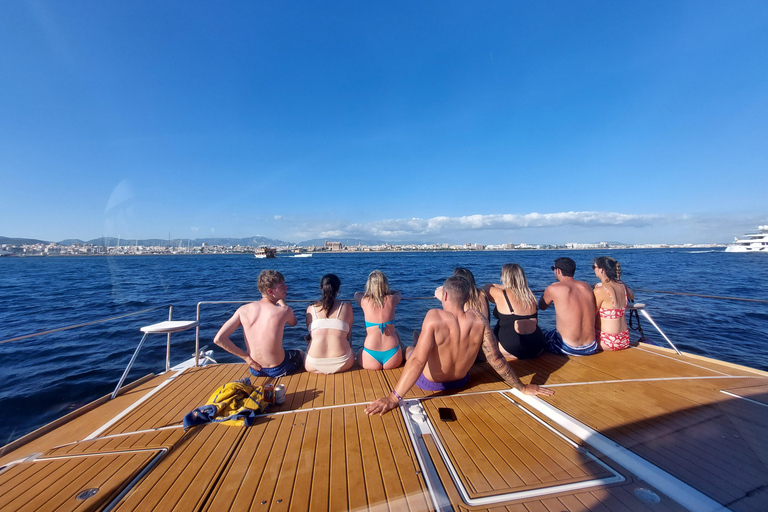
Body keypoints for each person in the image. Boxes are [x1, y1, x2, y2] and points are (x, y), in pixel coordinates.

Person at [365, 276, 553, 416]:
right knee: (422, 347)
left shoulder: (434, 316)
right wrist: (521, 387)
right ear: (467, 297)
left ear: (445, 295)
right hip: (461, 380)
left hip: (431, 385)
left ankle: (416, 343)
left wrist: (392, 399)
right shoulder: (479, 319)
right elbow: (495, 358)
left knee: (412, 351)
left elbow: (417, 362)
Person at [213, 269, 303, 378]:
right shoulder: (284, 310)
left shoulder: (243, 310)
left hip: (255, 369)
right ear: (270, 292)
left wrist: (246, 358)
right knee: (300, 353)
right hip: (278, 369)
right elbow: (293, 322)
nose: (286, 287)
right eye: (282, 285)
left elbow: (219, 339)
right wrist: (283, 304)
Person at [482, 263, 545, 360]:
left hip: (511, 348)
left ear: (505, 277)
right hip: (537, 346)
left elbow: (485, 288)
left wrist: (502, 287)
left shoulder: (501, 294)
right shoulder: (529, 295)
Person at [538, 257, 599, 356]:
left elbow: (542, 306)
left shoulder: (554, 288)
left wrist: (548, 290)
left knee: (540, 337)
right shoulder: (586, 286)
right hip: (591, 346)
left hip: (569, 348)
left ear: (558, 270)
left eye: (553, 269)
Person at [304, 274, 355, 374]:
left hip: (313, 365)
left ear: (321, 289)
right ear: (338, 289)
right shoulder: (346, 307)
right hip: (343, 363)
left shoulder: (311, 308)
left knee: (300, 353)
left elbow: (311, 334)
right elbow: (347, 335)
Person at [354, 270, 404, 370]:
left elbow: (356, 294)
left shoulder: (365, 301)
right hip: (393, 355)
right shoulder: (392, 299)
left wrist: (371, 292)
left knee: (358, 350)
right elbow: (398, 293)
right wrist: (385, 292)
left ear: (369, 285)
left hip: (370, 354)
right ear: (385, 284)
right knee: (400, 341)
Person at [593, 256, 635, 351]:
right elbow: (632, 296)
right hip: (624, 339)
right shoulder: (622, 286)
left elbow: (591, 315)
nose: (593, 269)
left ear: (601, 270)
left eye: (594, 267)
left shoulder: (599, 291)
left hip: (607, 342)